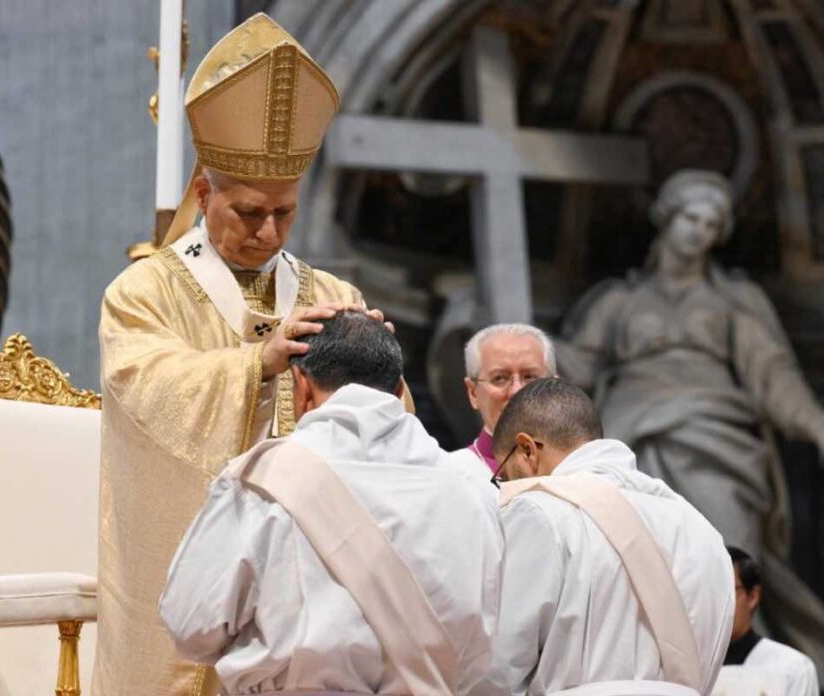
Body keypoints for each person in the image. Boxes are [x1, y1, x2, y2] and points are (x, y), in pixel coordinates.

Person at [96, 14, 399, 695]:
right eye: (249, 212)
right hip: (189, 558)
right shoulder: (143, 292)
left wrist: (378, 365)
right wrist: (255, 366)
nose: (268, 231)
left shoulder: (330, 292)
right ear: (204, 194)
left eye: (284, 214)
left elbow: (385, 432)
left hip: (310, 579)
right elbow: (142, 387)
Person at [557, 169, 824, 694]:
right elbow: (572, 367)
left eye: (711, 223)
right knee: (632, 560)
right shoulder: (618, 301)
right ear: (667, 219)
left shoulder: (734, 301)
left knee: (727, 554)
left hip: (715, 436)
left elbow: (774, 375)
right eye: (691, 218)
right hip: (634, 436)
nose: (699, 232)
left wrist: (822, 429)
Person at [159, 311, 504, 694]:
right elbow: (489, 640)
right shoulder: (472, 486)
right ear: (398, 388)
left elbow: (191, 624)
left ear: (300, 385)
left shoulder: (261, 481)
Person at [480, 378, 733, 695]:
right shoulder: (701, 530)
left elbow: (499, 668)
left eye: (504, 473)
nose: (506, 485)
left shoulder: (539, 513)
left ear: (527, 450)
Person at [451, 324, 556, 476]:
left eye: (530, 377)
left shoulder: (583, 471)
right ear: (473, 392)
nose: (517, 391)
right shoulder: (449, 474)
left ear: (556, 390)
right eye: (500, 378)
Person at [712, 547, 820, 696]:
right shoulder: (688, 669)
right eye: (710, 592)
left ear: (752, 596)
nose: (717, 602)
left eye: (727, 591)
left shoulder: (792, 669)